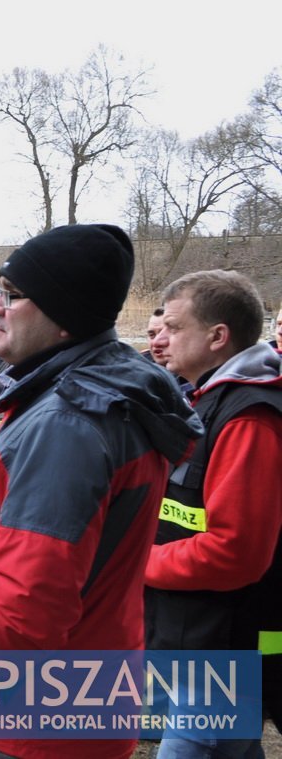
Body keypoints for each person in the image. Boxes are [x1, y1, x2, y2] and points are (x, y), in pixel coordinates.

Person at [0, 224, 201, 759]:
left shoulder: (68, 422)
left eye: (14, 294)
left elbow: (30, 605)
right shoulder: (100, 396)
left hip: (31, 716)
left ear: (65, 317)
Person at [146, 270, 282, 755]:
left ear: (217, 336)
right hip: (194, 632)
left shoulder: (248, 418)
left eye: (176, 327)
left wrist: (140, 564)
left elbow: (236, 552)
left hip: (220, 641)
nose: (162, 336)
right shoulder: (205, 401)